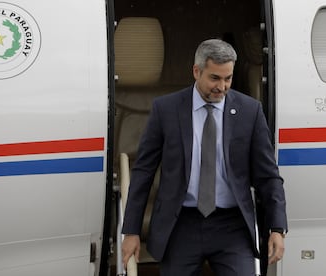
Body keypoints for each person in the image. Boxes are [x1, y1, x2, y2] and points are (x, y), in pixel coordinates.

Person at [121, 38, 287, 276]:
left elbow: (269, 176)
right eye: (214, 78)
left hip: (232, 226)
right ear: (196, 71)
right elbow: (143, 172)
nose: (222, 87)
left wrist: (277, 228)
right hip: (181, 224)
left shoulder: (250, 111)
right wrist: (131, 231)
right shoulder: (166, 110)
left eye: (227, 78)